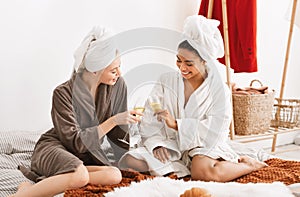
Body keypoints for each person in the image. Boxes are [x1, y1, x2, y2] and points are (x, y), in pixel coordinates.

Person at [119, 15, 267, 182]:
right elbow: (149, 117)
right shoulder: (166, 81)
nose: (182, 67)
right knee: (129, 161)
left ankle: (248, 165)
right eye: (178, 60)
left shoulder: (219, 90)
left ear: (205, 61)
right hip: (171, 144)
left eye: (189, 63)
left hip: (203, 146)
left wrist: (177, 125)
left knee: (202, 171)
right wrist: (157, 143)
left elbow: (217, 131)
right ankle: (181, 167)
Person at [12, 26, 142, 197]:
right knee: (80, 176)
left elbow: (119, 135)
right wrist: (113, 120)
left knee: (114, 175)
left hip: (83, 157)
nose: (119, 73)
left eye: (119, 67)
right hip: (56, 147)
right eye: (113, 70)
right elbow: (76, 143)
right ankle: (22, 193)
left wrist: (124, 159)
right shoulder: (62, 94)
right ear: (95, 69)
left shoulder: (117, 85)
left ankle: (60, 179)